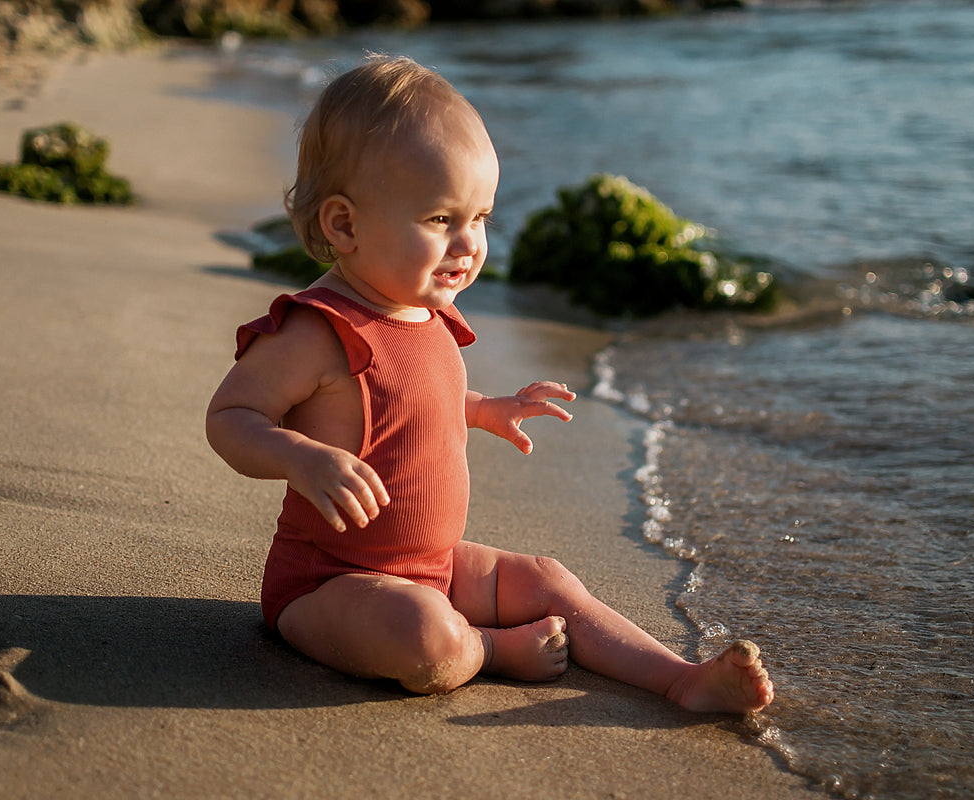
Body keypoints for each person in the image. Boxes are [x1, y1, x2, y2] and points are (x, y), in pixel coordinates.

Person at [205, 54, 773, 714]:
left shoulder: (431, 314)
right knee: (427, 638)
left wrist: (484, 409)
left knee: (547, 579)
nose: (469, 244)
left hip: (434, 563)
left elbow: (410, 406)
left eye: (480, 219)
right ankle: (492, 649)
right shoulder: (317, 330)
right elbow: (231, 418)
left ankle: (679, 677)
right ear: (344, 225)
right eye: (441, 220)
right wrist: (300, 456)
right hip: (330, 583)